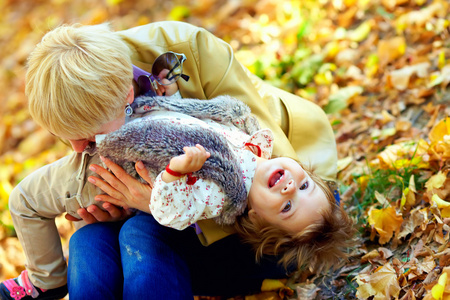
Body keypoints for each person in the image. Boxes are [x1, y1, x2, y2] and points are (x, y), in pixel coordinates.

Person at [0, 21, 345, 299]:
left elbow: (267, 172)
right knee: (86, 242)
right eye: (70, 136)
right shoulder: (77, 95)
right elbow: (87, 175)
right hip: (173, 202)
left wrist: (151, 203)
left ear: (127, 93)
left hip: (269, 228)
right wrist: (108, 208)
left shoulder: (191, 48)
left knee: (139, 233)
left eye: (86, 136)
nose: (77, 148)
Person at [94, 93, 353, 271]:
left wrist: (175, 171)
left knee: (86, 234)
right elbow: (202, 118)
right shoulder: (257, 142)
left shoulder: (221, 194)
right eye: (304, 186)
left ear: (255, 218)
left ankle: (52, 280)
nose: (290, 189)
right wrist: (172, 96)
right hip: (146, 114)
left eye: (287, 207)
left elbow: (171, 210)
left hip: (122, 154)